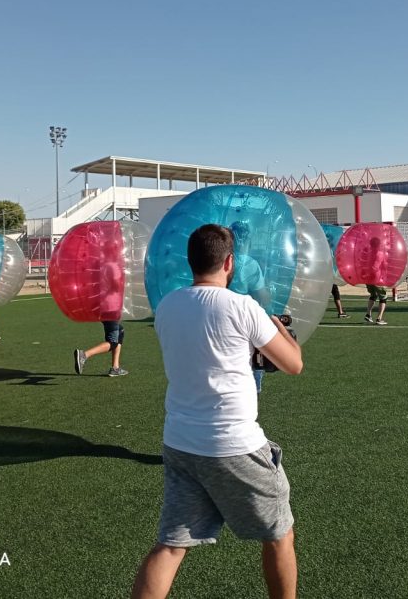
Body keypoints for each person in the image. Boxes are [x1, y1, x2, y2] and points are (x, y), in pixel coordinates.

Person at [131, 224, 302, 599]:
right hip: (233, 444)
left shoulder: (168, 306)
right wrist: (282, 331)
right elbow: (292, 364)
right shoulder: (243, 306)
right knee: (279, 535)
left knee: (172, 546)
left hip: (180, 443)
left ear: (191, 262)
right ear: (230, 262)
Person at [228, 221, 271, 393]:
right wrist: (270, 292)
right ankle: (254, 378)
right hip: (244, 317)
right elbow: (262, 296)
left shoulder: (223, 261)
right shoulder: (250, 264)